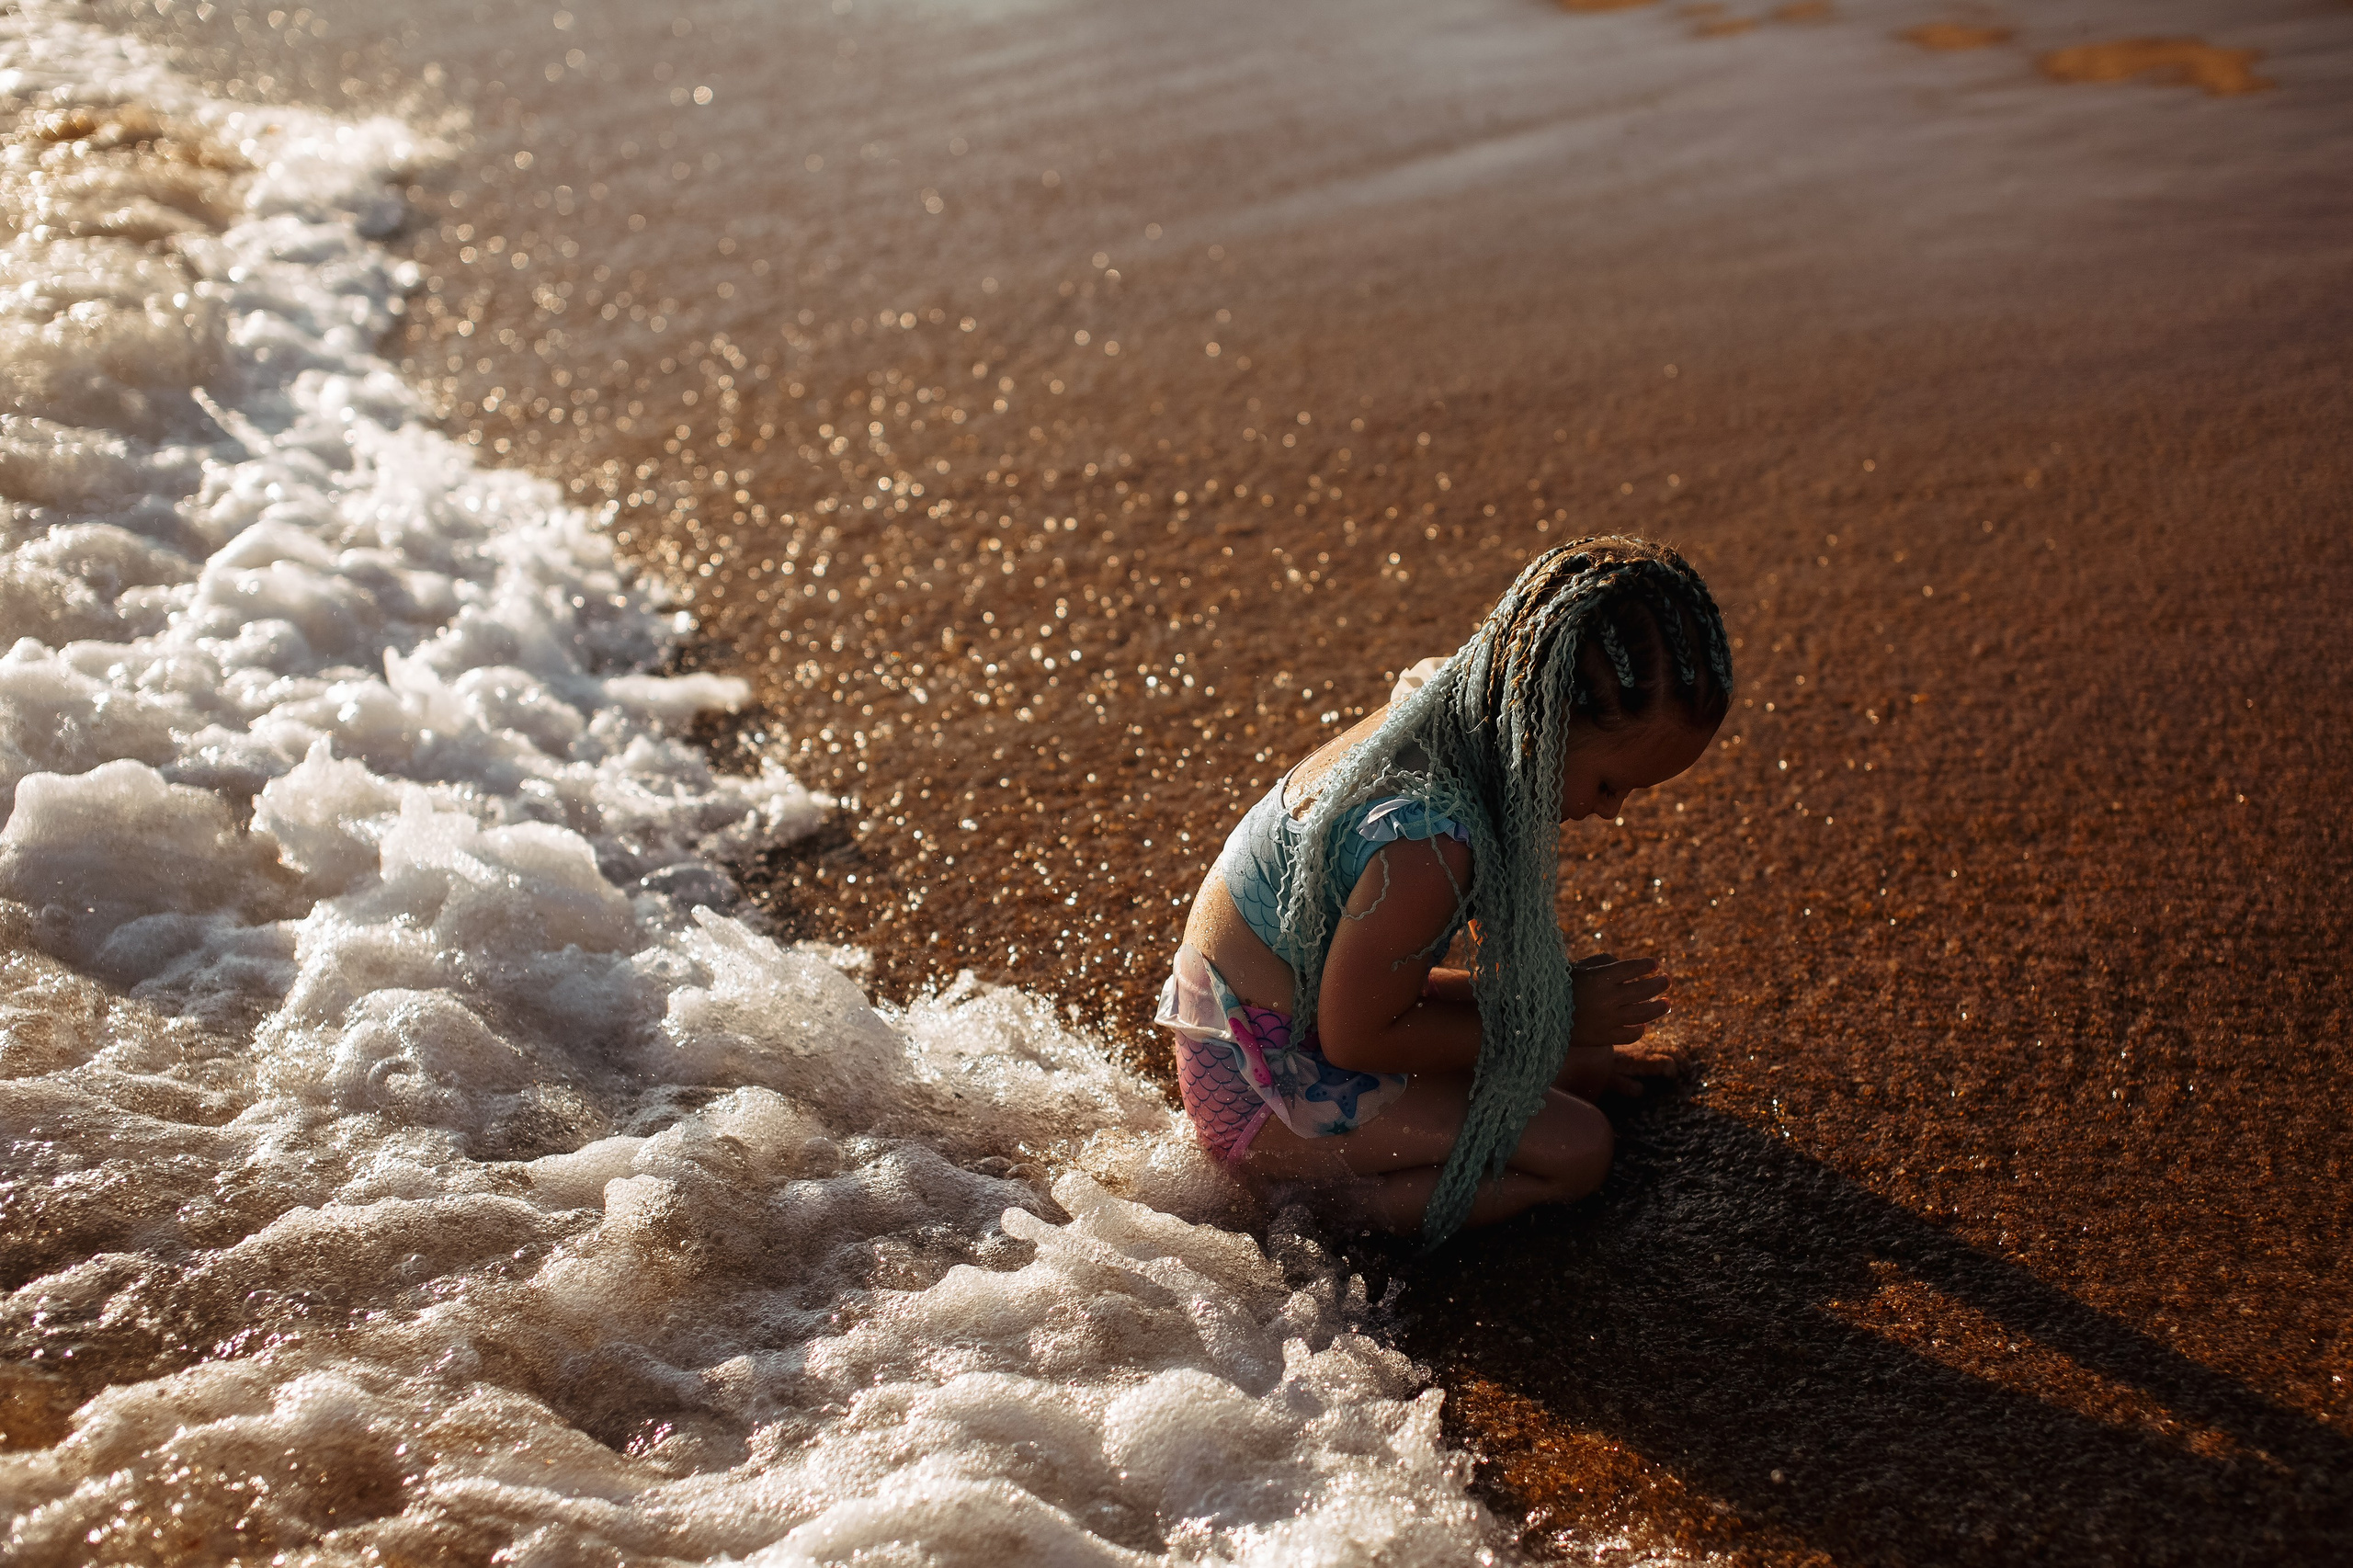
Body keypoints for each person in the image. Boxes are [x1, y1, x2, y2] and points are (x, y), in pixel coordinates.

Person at [1156, 537, 1734, 1241]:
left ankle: (1521, 1066)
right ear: (1541, 725)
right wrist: (1557, 1025)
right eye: (1611, 785)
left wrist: (1561, 1031)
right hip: (1264, 1082)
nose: (1611, 812)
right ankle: (1304, 1219)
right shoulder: (1427, 842)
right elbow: (1356, 1037)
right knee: (1577, 1149)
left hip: (1300, 1003)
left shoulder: (1451, 696)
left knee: (1581, 1058)